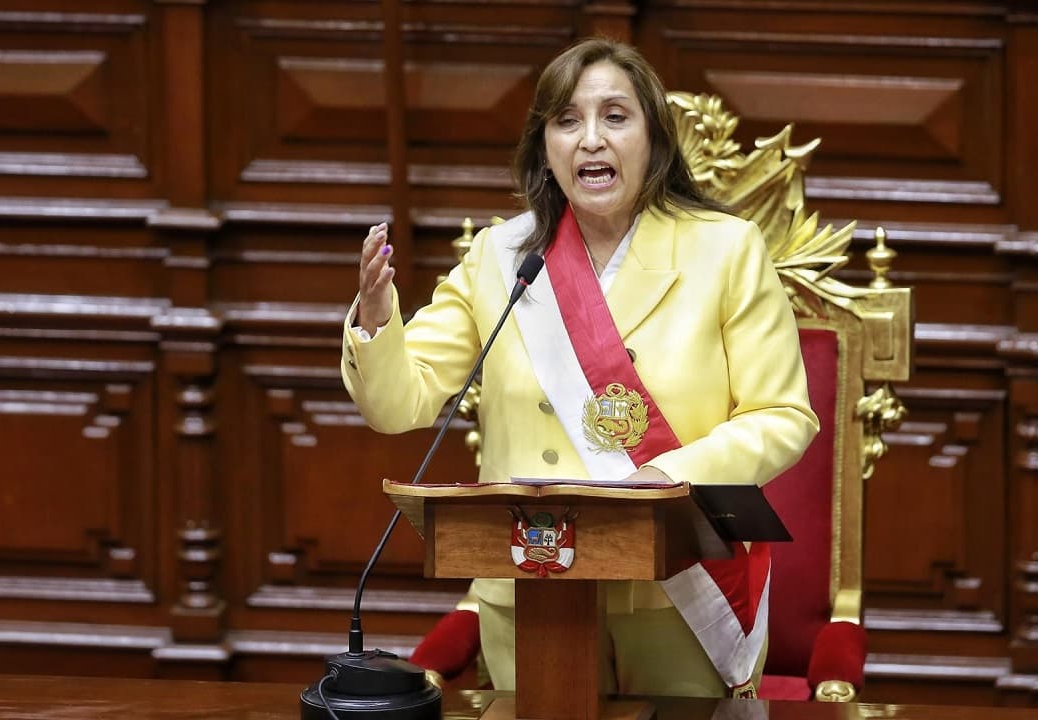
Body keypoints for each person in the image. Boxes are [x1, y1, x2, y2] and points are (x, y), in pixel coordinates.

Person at [341, 37, 819, 699]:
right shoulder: (500, 256)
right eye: (567, 121)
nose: (591, 139)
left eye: (615, 117)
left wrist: (667, 478)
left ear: (653, 138)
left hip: (674, 592)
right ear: (544, 149)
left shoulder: (725, 249)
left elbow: (782, 416)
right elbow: (400, 403)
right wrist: (375, 321)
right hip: (529, 585)